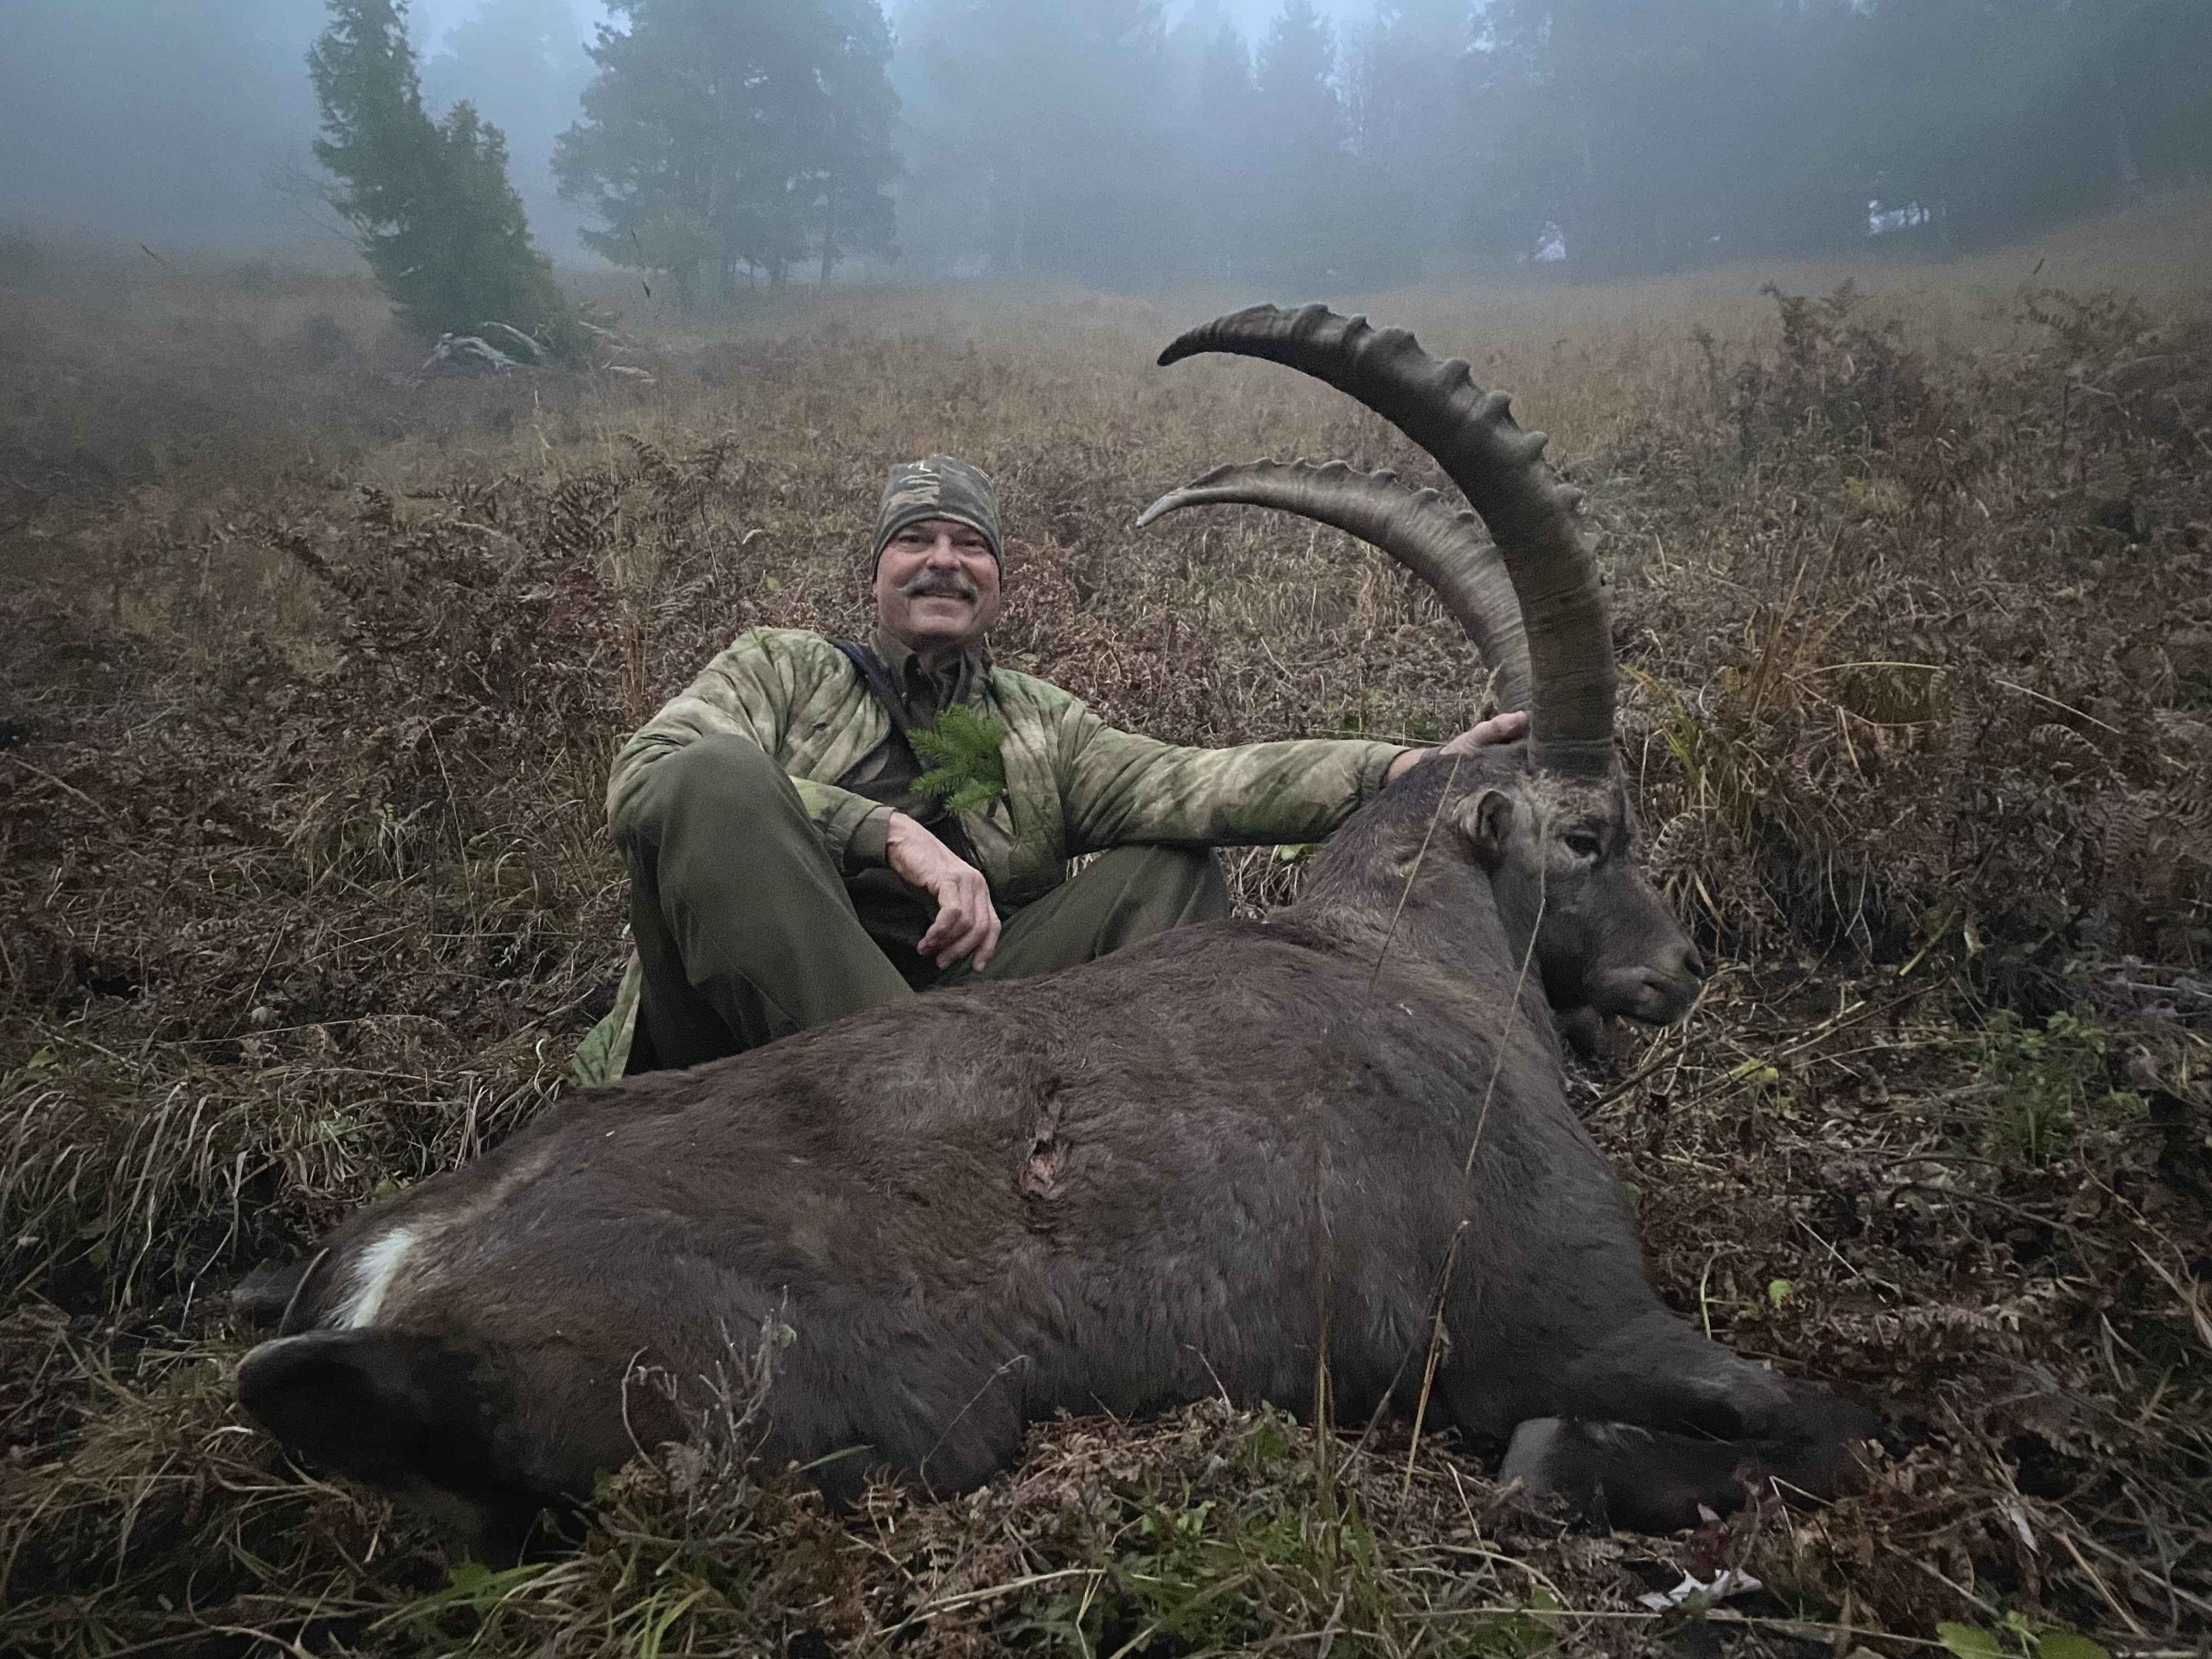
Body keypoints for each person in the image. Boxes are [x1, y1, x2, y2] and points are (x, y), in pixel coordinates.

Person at [572, 454, 1525, 1082]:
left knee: (1169, 864)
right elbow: (649, 772)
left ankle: (1115, 1144)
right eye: (916, 541)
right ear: (874, 575)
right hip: (739, 1045)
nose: (944, 562)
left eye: (972, 546)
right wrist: (889, 833)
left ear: (996, 584)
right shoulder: (781, 669)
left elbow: (1199, 784)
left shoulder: (1040, 724)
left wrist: (1407, 770)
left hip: (960, 1024)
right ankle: (908, 1103)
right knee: (714, 779)